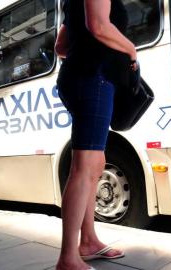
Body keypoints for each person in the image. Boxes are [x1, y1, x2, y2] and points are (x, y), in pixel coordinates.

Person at [54, 0, 137, 269]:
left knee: (95, 163)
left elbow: (61, 48)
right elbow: (99, 25)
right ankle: (68, 258)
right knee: (85, 166)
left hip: (83, 77)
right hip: (94, 78)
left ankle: (88, 240)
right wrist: (130, 49)